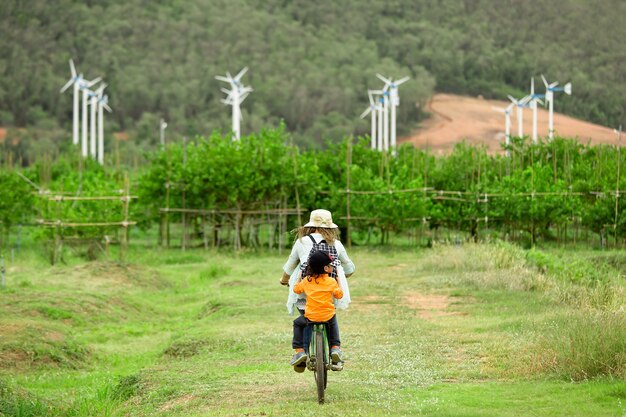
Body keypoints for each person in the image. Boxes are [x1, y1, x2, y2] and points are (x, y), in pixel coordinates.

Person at [280, 209, 355, 372]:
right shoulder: (337, 244)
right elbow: (349, 268)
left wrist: (284, 280)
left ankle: (303, 353)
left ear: (311, 226)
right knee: (331, 317)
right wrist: (341, 276)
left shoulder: (301, 242)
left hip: (305, 292)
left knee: (305, 318)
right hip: (330, 293)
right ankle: (335, 348)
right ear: (330, 227)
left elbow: (289, 266)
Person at [290, 250, 343, 370]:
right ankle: (335, 347)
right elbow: (339, 295)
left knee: (297, 323)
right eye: (330, 265)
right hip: (327, 315)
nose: (332, 267)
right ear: (325, 268)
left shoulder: (307, 281)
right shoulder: (331, 281)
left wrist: (298, 277)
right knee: (333, 323)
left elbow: (296, 290)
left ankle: (300, 351)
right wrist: (339, 280)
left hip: (311, 316)